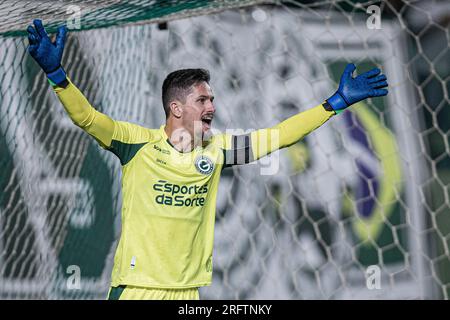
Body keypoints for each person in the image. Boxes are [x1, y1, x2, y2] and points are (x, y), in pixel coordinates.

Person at [26, 19, 388, 300]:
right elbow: (88, 118)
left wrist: (334, 104)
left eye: (212, 99)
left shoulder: (219, 151)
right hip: (137, 291)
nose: (212, 107)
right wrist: (57, 75)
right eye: (203, 100)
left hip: (189, 294)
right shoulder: (135, 144)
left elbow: (278, 136)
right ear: (176, 107)